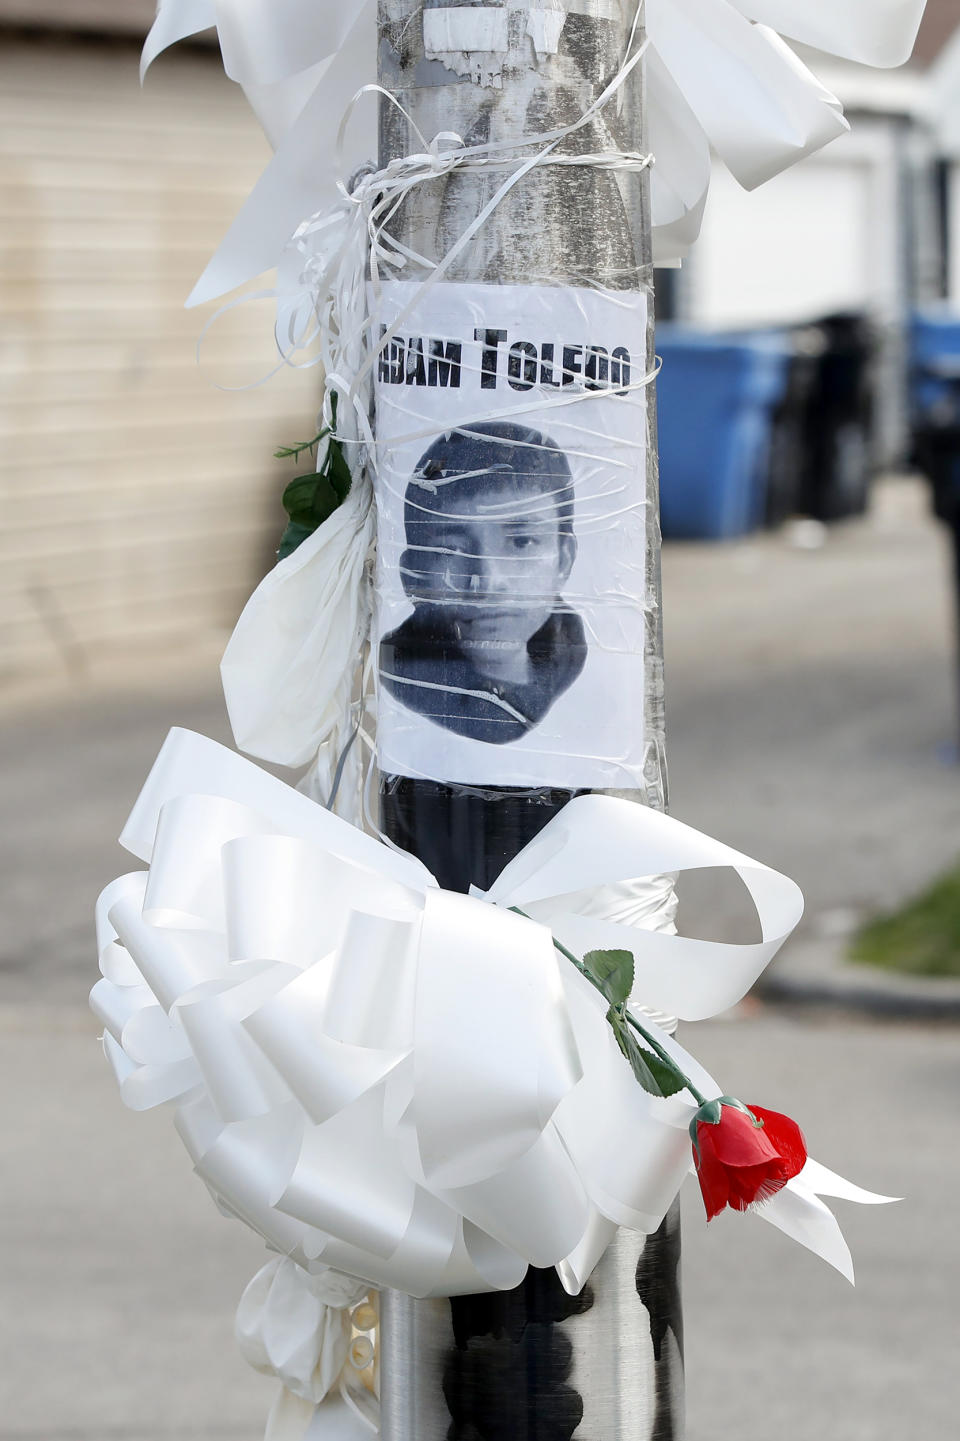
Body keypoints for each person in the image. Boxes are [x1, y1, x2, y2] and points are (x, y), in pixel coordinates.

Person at [379, 420, 587, 744]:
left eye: (521, 542)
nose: (489, 582)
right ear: (412, 575)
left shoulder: (580, 667)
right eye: (450, 549)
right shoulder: (402, 687)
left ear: (565, 560)